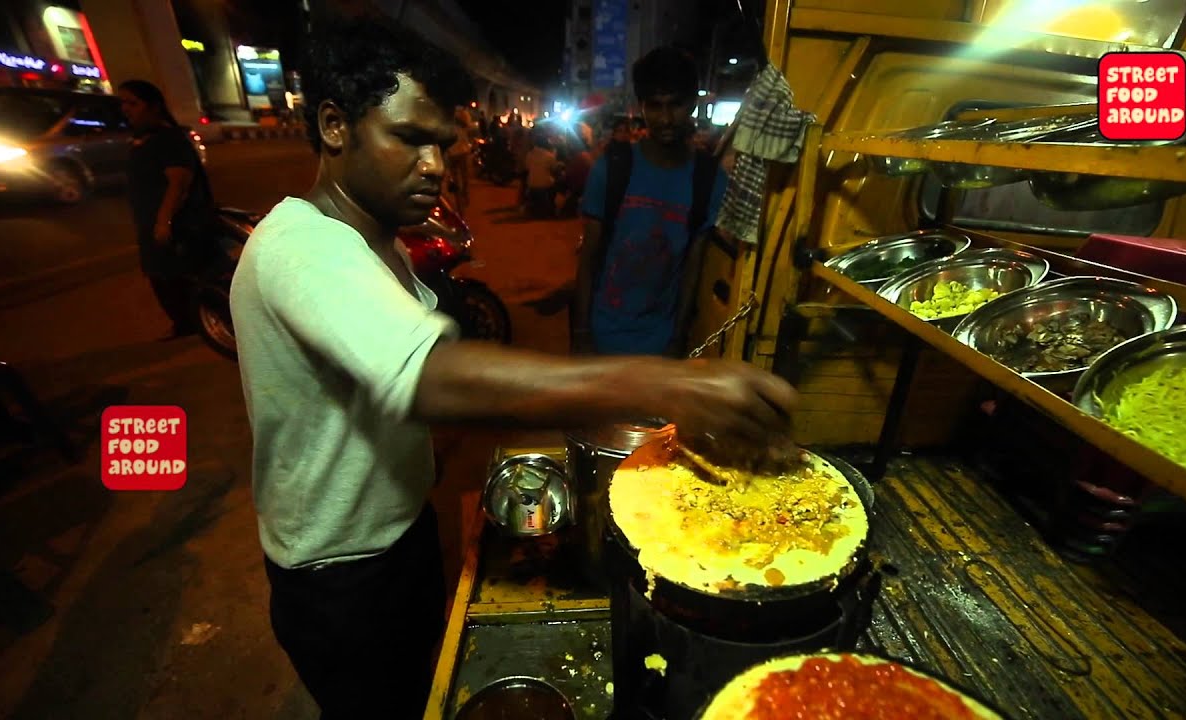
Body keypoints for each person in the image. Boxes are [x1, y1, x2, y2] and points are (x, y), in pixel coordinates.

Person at [228, 16, 797, 720]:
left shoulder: (379, 243)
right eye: (409, 139)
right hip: (339, 578)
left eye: (442, 143)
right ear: (336, 126)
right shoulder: (301, 247)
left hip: (398, 539)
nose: (436, 165)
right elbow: (434, 378)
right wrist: (669, 381)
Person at [572, 47, 728, 358]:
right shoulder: (613, 167)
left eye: (676, 105)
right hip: (602, 339)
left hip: (661, 346)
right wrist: (581, 336)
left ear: (692, 104)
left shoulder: (708, 178)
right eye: (655, 106)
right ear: (641, 107)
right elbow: (588, 260)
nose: (666, 118)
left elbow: (692, 266)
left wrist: (677, 339)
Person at [118, 79, 216, 340]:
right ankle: (187, 326)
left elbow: (178, 182)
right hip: (154, 227)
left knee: (184, 278)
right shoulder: (141, 140)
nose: (126, 109)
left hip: (178, 226)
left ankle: (209, 327)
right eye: (124, 103)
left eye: (133, 103)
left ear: (154, 107)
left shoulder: (168, 140)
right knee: (162, 278)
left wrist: (164, 221)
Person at [444, 106, 474, 212]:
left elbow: (468, 126)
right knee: (458, 179)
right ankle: (460, 201)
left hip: (457, 150)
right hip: (458, 150)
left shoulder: (457, 113)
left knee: (460, 178)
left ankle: (462, 199)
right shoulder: (459, 113)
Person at [524, 132, 560, 217]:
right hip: (545, 185)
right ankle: (552, 206)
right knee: (556, 183)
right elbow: (554, 169)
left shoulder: (529, 154)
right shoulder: (549, 156)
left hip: (531, 184)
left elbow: (527, 167)